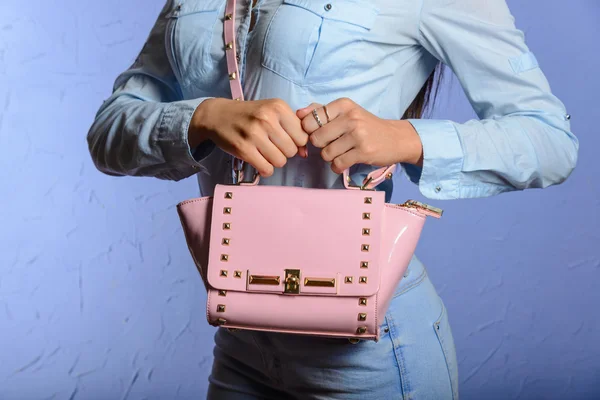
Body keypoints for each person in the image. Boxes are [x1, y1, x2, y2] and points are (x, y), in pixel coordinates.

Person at [86, 0, 578, 398]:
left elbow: (550, 140)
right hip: (240, 337)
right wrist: (203, 117)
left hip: (367, 352)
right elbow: (108, 130)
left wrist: (405, 137)